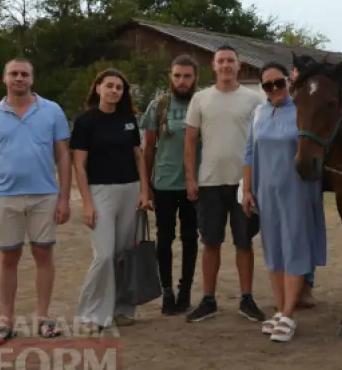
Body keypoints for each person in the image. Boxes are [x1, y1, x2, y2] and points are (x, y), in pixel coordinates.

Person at [0, 58, 72, 346]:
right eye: (13, 74)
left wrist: (64, 197)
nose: (19, 78)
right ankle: (6, 320)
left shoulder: (51, 111)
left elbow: (63, 156)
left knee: (43, 255)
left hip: (44, 195)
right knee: (8, 258)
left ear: (32, 79)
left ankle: (43, 317)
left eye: (24, 74)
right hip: (4, 197)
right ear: (4, 78)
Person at [242, 62, 327, 342]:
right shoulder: (258, 113)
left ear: (289, 82)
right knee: (274, 250)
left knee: (295, 248)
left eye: (279, 83)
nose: (274, 89)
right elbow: (249, 154)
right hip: (266, 192)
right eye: (268, 85)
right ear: (262, 88)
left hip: (297, 190)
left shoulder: (302, 110)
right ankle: (279, 310)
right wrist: (247, 189)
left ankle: (290, 313)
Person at [184, 44, 267, 323]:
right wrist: (191, 178)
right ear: (214, 65)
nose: (226, 65)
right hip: (209, 182)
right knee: (210, 242)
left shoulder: (254, 100)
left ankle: (247, 298)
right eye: (221, 61)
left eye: (231, 60)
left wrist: (256, 181)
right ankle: (208, 299)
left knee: (244, 243)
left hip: (244, 184)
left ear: (239, 65)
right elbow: (190, 141)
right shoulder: (200, 99)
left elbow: (261, 142)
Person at [71, 69, 151, 329]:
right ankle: (91, 314)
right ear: (98, 88)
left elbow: (138, 156)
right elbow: (79, 166)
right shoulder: (85, 122)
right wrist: (86, 202)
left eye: (119, 87)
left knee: (123, 254)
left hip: (130, 189)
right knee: (104, 255)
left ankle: (122, 308)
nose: (114, 91)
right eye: (110, 86)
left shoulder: (129, 119)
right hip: (100, 192)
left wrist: (144, 191)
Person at [142, 55, 201, 315]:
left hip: (195, 184)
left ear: (195, 78)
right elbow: (148, 149)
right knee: (164, 239)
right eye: (177, 75)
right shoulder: (159, 106)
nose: (182, 81)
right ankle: (167, 290)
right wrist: (146, 186)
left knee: (190, 239)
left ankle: (185, 289)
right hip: (164, 183)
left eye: (187, 76)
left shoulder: (202, 103)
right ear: (170, 76)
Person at [288, 57, 320, 307]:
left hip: (307, 175)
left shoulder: (310, 101)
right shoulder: (280, 100)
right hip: (281, 177)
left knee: (307, 231)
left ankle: (306, 284)